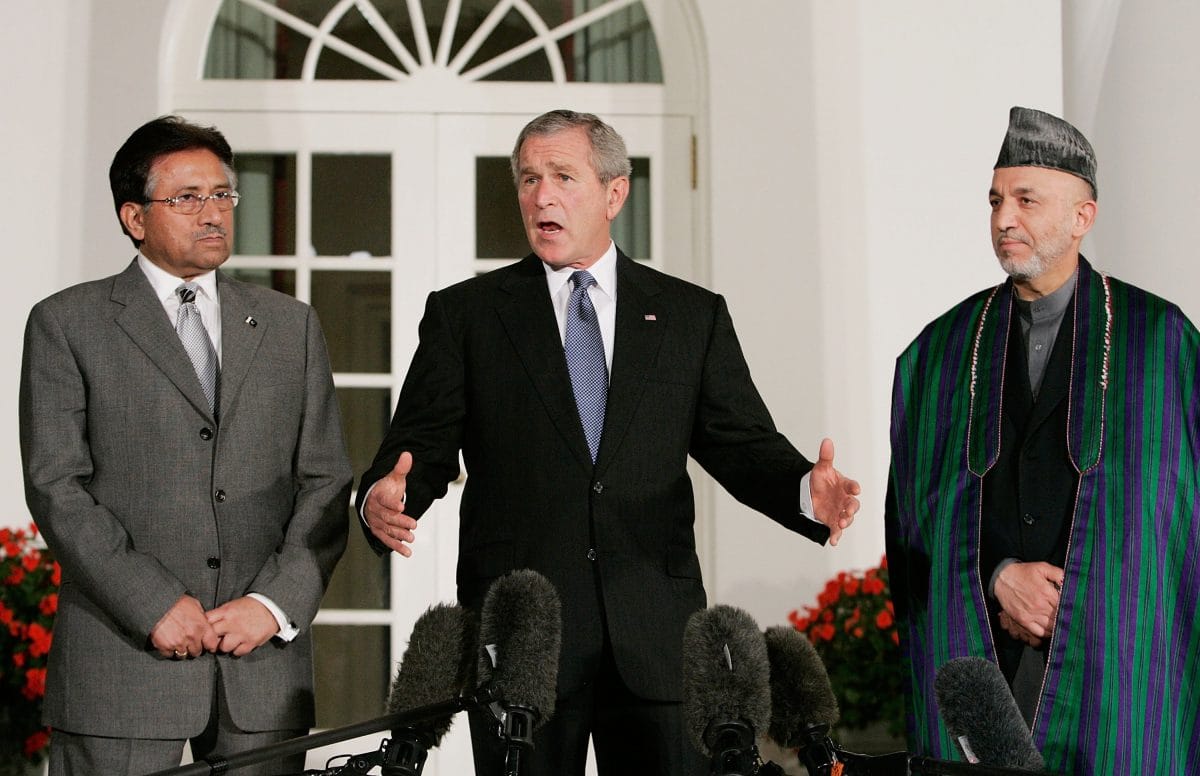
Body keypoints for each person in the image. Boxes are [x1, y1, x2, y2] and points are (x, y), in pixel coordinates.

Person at [356, 109, 861, 775]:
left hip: (655, 633)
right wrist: (383, 498)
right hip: (525, 647)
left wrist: (804, 488)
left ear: (614, 192)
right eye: (529, 179)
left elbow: (740, 442)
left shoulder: (688, 315)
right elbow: (418, 444)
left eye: (563, 176)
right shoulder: (467, 316)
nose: (542, 196)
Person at [19, 116, 352, 775]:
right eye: (188, 198)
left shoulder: (291, 326)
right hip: (121, 671)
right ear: (134, 217)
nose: (213, 213)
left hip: (262, 680)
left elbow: (325, 479)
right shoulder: (67, 323)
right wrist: (150, 602)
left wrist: (274, 603)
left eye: (223, 195)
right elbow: (56, 484)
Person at [885, 106, 1199, 774]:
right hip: (985, 670)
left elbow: (1182, 522)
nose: (1003, 219)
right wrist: (995, 576)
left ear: (1083, 216)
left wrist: (1098, 591)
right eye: (996, 200)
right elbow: (914, 520)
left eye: (1027, 200)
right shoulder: (937, 354)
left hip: (1115, 678)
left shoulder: (1161, 342)